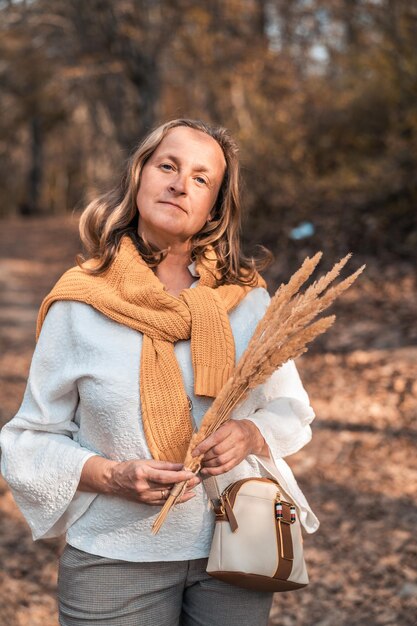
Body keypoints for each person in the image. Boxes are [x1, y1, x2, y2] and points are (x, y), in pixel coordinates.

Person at [0, 118, 319, 626]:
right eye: (167, 166)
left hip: (238, 544)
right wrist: (113, 477)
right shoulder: (81, 302)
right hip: (114, 557)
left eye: (201, 178)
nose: (179, 184)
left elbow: (292, 409)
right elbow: (29, 439)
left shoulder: (248, 298)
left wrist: (249, 433)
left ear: (215, 205)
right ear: (139, 175)